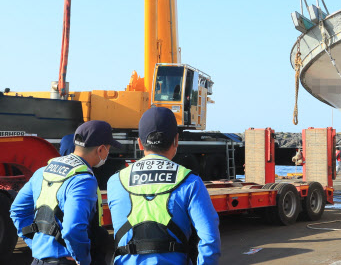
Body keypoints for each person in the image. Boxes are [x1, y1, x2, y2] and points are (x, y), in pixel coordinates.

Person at [107, 107, 221, 264]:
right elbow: (210, 239)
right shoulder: (190, 181)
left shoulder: (115, 181)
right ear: (176, 140)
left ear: (140, 143)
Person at [10, 120, 120, 265]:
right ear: (100, 150)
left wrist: (35, 244)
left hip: (38, 260)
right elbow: (72, 228)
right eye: (108, 148)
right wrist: (82, 259)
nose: (108, 153)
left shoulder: (42, 172)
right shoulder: (83, 180)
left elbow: (17, 210)